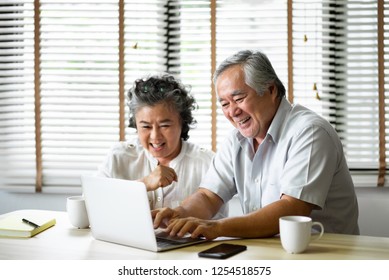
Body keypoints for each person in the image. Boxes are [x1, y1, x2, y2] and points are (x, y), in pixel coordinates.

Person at [152, 50, 360, 239]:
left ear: (270, 90)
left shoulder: (311, 132)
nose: (232, 111)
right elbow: (208, 196)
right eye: (224, 104)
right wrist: (179, 214)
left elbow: (292, 209)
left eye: (239, 98)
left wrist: (216, 227)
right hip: (266, 251)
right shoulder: (236, 139)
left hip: (323, 253)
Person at [96, 73, 227, 218]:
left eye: (165, 125)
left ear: (182, 123)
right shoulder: (119, 156)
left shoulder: (207, 163)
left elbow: (216, 223)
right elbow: (91, 205)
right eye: (146, 126)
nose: (155, 136)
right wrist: (143, 184)